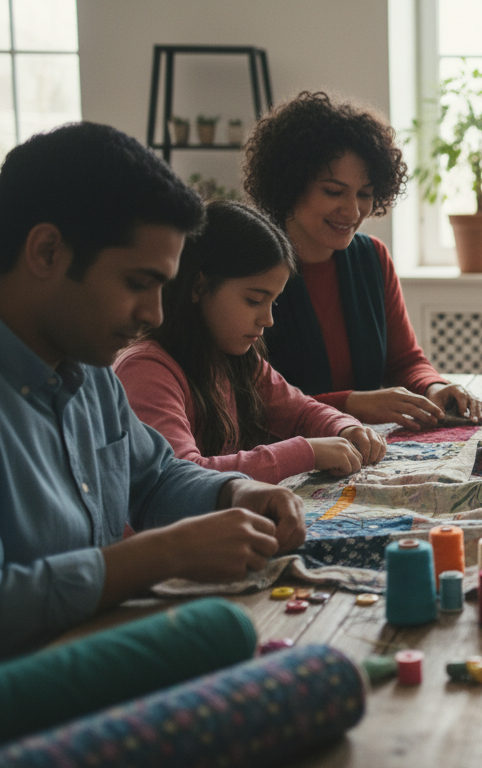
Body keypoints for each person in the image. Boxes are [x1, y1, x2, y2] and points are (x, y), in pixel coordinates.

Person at [0, 123, 307, 657]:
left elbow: (157, 476)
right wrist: (161, 555)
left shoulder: (89, 371)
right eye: (137, 284)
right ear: (46, 251)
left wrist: (235, 492)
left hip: (94, 650)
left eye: (163, 288)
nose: (154, 315)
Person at [242, 91, 482, 431]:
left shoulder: (372, 258)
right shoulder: (248, 264)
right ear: (291, 185)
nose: (353, 211)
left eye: (365, 194)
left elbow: (405, 360)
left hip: (355, 447)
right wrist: (352, 404)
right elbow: (246, 401)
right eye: (333, 192)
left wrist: (435, 386)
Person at [113, 200, 387, 485]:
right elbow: (182, 479)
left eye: (272, 302)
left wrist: (343, 428)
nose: (268, 320)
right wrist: (306, 452)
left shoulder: (235, 357)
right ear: (197, 286)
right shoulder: (146, 370)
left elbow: (301, 411)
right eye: (254, 300)